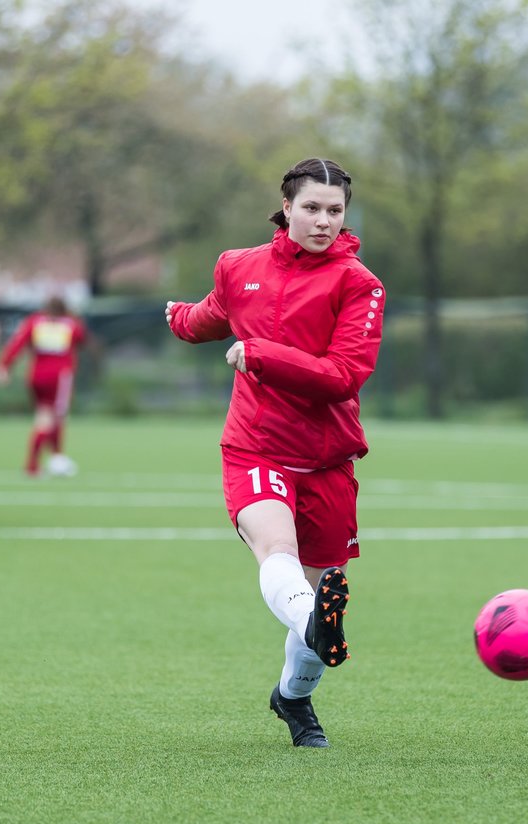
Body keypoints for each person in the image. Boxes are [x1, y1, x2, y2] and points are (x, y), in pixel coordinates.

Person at [165, 157, 386, 748]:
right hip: (255, 446)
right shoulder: (238, 267)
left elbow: (343, 376)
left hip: (328, 460)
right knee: (277, 550)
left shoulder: (360, 284)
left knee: (315, 600)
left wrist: (258, 353)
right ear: (286, 207)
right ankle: (315, 619)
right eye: (311, 208)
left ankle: (292, 698)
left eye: (334, 211)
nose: (323, 221)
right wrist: (181, 320)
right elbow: (215, 315)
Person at [0, 296, 86, 477]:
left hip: (37, 376)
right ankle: (36, 463)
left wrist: (4, 365)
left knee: (44, 416)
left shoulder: (35, 322)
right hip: (59, 378)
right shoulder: (70, 324)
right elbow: (81, 337)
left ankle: (53, 459)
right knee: (55, 418)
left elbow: (17, 343)